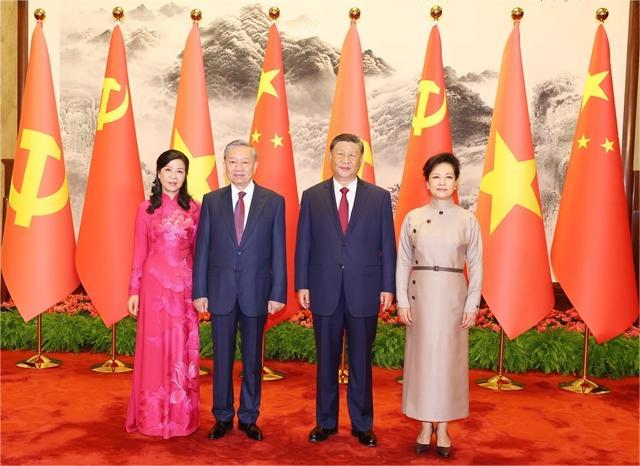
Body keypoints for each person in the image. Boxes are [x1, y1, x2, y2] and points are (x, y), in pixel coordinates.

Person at [295, 133, 396, 448]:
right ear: (330, 156)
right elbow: (304, 245)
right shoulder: (312, 196)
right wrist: (302, 283)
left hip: (364, 290)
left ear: (361, 160)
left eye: (352, 155)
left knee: (361, 362)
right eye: (340, 154)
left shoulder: (378, 197)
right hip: (324, 289)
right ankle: (325, 423)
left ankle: (362, 424)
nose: (345, 160)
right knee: (326, 360)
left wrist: (388, 287)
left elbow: (387, 247)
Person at [193, 140, 286, 442]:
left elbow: (278, 251)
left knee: (252, 360)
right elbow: (203, 249)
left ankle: (248, 417)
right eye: (232, 162)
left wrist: (277, 293)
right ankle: (222, 416)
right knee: (221, 359)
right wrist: (200, 290)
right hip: (220, 292)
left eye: (244, 162)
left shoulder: (273, 201)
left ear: (255, 165)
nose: (238, 168)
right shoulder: (212, 200)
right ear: (225, 165)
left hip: (256, 293)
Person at [396, 153, 483, 458]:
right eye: (436, 177)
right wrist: (402, 301)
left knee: (448, 364)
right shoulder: (413, 217)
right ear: (427, 183)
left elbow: (477, 264)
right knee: (421, 363)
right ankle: (423, 424)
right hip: (420, 298)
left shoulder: (467, 219)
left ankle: (443, 427)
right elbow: (403, 261)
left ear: (456, 182)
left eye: (448, 177)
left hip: (452, 298)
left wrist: (472, 305)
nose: (442, 182)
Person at [126, 149, 201, 439]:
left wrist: (200, 291)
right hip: (154, 288)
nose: (174, 176)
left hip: (185, 289)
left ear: (185, 176)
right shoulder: (145, 209)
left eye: (179, 171)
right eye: (168, 170)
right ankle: (152, 419)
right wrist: (134, 289)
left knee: (183, 350)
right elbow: (139, 252)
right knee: (154, 351)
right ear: (158, 173)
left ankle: (182, 419)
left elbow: (199, 253)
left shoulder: (195, 208)